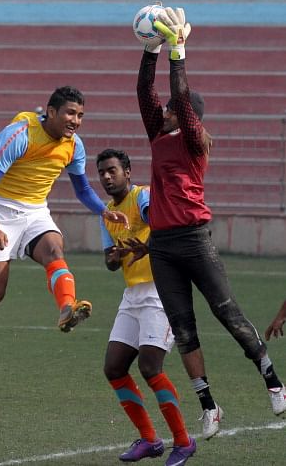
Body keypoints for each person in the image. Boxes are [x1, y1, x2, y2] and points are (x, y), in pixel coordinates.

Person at [136, 6, 286, 441]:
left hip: (194, 239)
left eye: (172, 110)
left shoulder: (194, 144)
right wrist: (151, 51)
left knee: (228, 314)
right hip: (162, 245)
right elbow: (146, 92)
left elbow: (179, 98)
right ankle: (209, 405)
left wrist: (178, 54)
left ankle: (274, 383)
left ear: (187, 118)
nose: (163, 111)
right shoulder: (158, 136)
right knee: (183, 330)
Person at [0, 85, 129, 373]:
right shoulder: (19, 135)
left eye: (81, 115)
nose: (76, 121)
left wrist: (105, 212)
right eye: (70, 113)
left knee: (54, 249)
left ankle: (67, 308)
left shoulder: (74, 146)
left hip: (35, 211)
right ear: (50, 112)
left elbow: (82, 189)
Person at [97, 148, 195, 465]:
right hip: (133, 295)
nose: (106, 177)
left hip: (161, 291)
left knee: (150, 368)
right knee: (114, 368)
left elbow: (161, 225)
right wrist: (113, 257)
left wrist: (144, 244)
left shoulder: (143, 196)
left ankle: (183, 441)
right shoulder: (107, 214)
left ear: (127, 171)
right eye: (101, 172)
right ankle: (151, 440)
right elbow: (111, 260)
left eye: (112, 170)